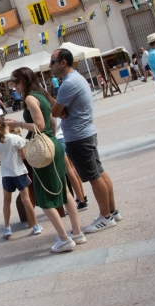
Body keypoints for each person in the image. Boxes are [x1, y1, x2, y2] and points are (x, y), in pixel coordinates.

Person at [5, 67, 84, 252]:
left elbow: (40, 125)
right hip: (53, 143)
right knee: (64, 191)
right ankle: (77, 233)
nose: (13, 86)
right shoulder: (42, 95)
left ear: (24, 80)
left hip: (44, 149)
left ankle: (64, 239)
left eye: (15, 82)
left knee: (43, 196)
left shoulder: (31, 98)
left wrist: (18, 124)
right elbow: (51, 122)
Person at [50, 48, 121, 234]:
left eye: (53, 62)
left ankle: (105, 217)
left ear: (63, 62)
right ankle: (112, 211)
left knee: (94, 177)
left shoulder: (69, 84)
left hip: (78, 137)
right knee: (99, 171)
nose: (51, 66)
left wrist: (58, 108)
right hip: (86, 133)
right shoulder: (77, 78)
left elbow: (55, 112)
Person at [0, 116, 42, 240]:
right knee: (26, 199)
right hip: (19, 172)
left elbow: (1, 157)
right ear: (6, 125)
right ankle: (35, 225)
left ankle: (7, 227)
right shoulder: (17, 139)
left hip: (6, 174)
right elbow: (24, 156)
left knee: (6, 201)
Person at [55, 116, 88, 212]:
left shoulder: (49, 108)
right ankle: (81, 196)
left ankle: (81, 201)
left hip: (57, 137)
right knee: (73, 169)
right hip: (64, 136)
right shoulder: (55, 104)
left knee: (69, 170)